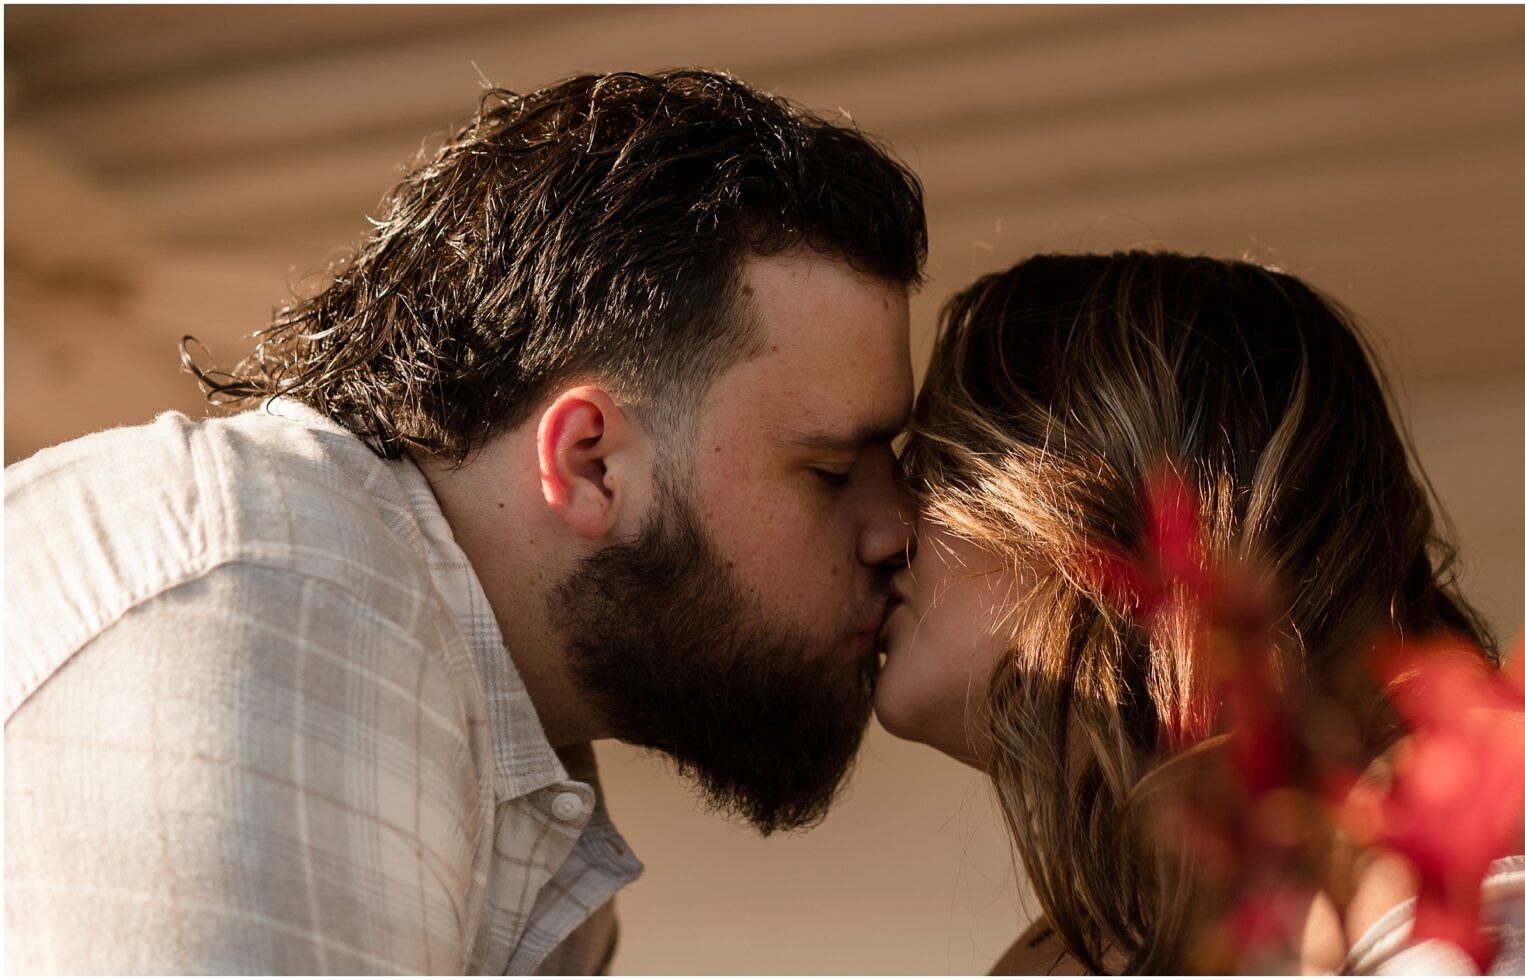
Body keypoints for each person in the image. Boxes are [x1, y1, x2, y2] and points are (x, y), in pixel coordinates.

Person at [5, 69, 925, 974]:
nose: (898, 530)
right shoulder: (273, 605)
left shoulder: (519, 767)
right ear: (590, 463)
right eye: (833, 469)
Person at [875, 252, 1525, 974]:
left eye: (935, 465)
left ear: (1097, 499)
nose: (884, 530)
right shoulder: (1089, 940)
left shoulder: (1490, 834)